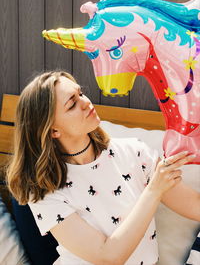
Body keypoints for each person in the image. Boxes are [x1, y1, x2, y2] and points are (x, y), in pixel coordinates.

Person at [7, 71, 200, 265]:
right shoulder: (43, 190)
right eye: (72, 104)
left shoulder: (136, 152)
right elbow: (108, 257)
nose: (85, 102)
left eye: (80, 93)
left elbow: (195, 206)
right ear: (53, 131)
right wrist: (154, 191)